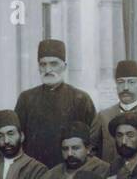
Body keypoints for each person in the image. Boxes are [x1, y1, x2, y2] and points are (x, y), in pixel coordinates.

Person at [14, 39, 96, 170]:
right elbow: (17, 139)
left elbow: (92, 143)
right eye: (43, 64)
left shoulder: (80, 99)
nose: (48, 69)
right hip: (33, 172)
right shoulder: (26, 98)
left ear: (64, 66)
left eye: (53, 64)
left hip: (70, 171)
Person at [88, 60, 137, 166]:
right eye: (120, 82)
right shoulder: (103, 117)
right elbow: (90, 151)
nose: (125, 87)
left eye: (131, 82)